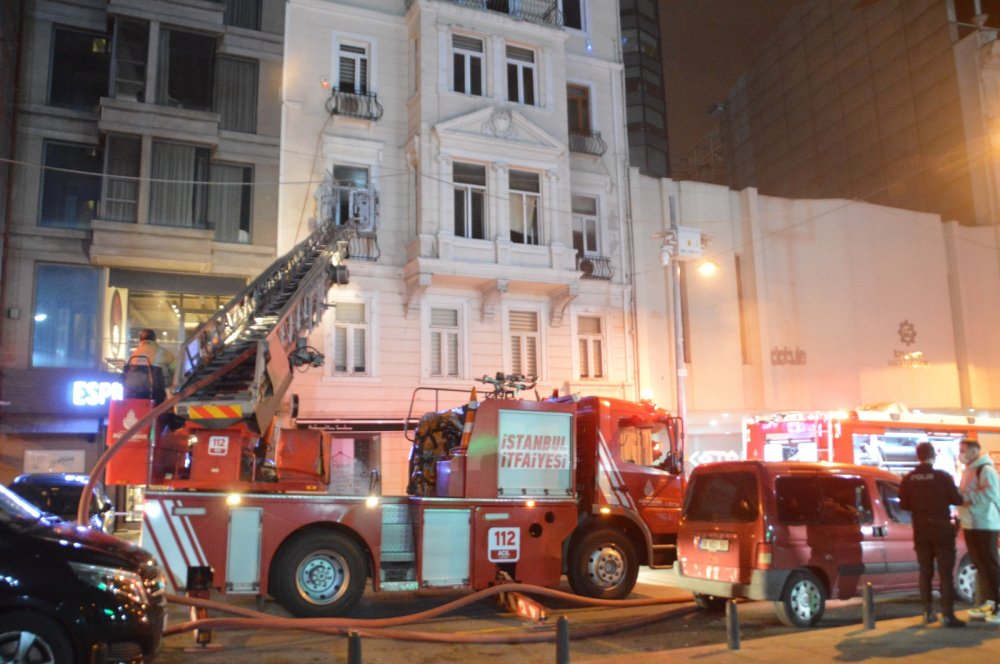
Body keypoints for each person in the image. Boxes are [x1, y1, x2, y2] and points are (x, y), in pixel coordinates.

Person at [898, 442, 965, 627]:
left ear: (917, 456)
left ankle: (927, 612)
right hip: (942, 530)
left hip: (921, 531)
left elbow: (903, 505)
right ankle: (948, 615)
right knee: (945, 573)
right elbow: (957, 499)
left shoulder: (909, 478)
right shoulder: (942, 477)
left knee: (925, 572)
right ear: (933, 456)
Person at [958, 438, 1000, 623]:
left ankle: (998, 605)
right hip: (971, 524)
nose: (961, 454)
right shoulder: (969, 470)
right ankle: (989, 602)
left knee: (991, 564)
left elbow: (992, 493)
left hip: (985, 524)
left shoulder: (985, 469)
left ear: (974, 452)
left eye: (963, 450)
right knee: (981, 565)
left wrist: (968, 498)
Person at [123, 329, 176, 404]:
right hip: (158, 395)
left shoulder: (134, 354)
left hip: (135, 394)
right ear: (154, 339)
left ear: (140, 340)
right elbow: (177, 371)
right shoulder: (164, 353)